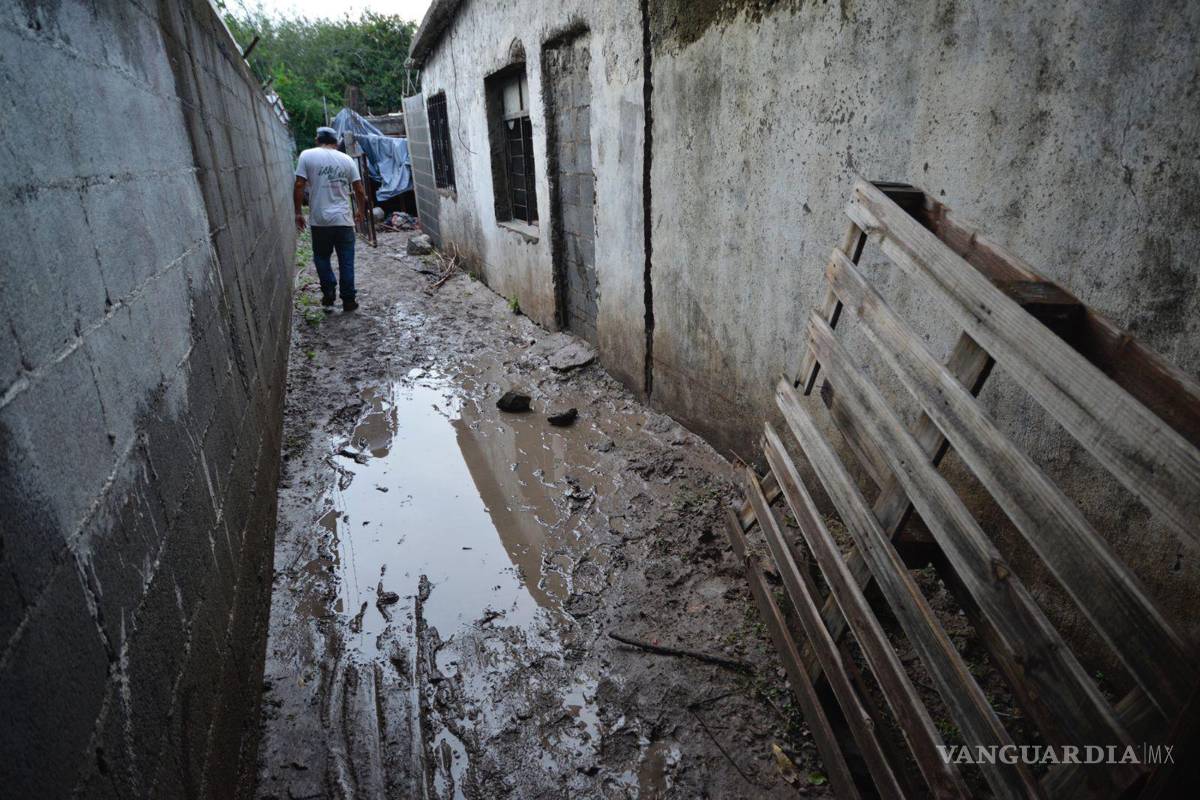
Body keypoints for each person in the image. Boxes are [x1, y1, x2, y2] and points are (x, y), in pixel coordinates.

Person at [293, 126, 369, 311]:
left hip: (320, 220)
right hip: (343, 220)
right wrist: (360, 210)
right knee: (346, 261)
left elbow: (299, 184)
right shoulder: (346, 159)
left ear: (317, 140)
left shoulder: (307, 155)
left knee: (321, 257)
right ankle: (348, 299)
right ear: (336, 142)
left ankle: (328, 292)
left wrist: (298, 212)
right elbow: (359, 190)